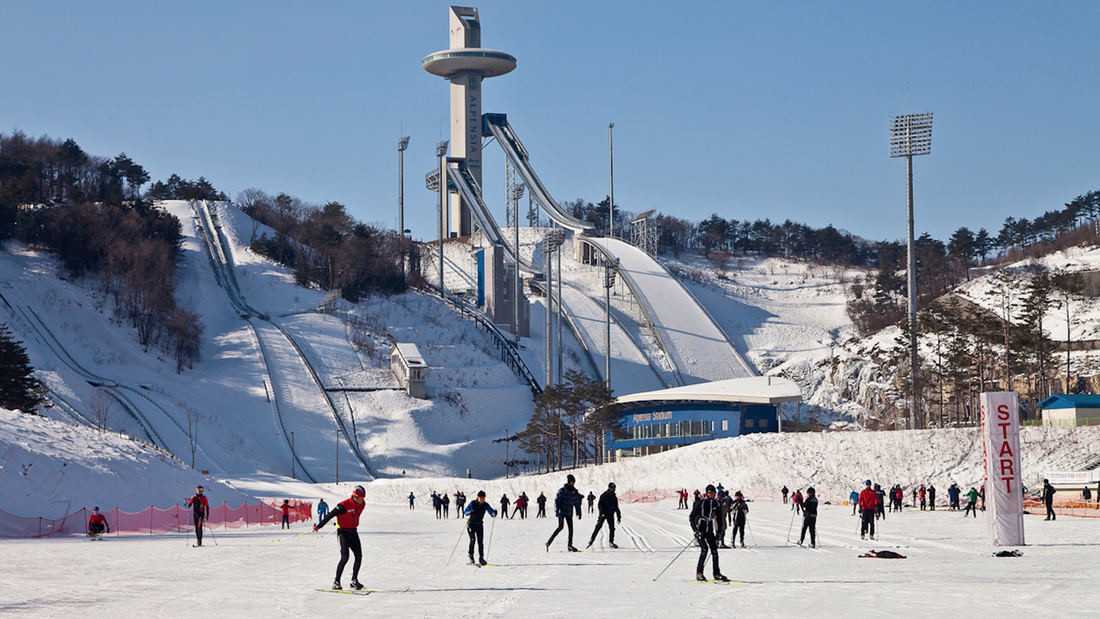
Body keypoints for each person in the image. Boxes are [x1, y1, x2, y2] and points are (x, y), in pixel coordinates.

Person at [314, 485, 368, 590]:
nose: (361, 500)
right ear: (354, 496)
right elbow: (329, 515)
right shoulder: (343, 505)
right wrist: (319, 526)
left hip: (353, 532)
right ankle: (336, 582)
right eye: (360, 498)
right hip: (343, 533)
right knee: (345, 557)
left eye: (363, 498)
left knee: (359, 556)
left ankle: (354, 580)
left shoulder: (362, 504)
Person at [690, 484, 729, 582]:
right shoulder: (700, 502)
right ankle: (699, 573)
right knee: (704, 550)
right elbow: (692, 517)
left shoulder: (716, 503)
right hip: (701, 528)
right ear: (707, 493)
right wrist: (695, 530)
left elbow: (719, 519)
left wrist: (719, 533)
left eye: (713, 493)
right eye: (710, 493)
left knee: (714, 551)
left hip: (709, 529)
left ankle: (716, 573)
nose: (711, 494)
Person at [546, 474, 583, 552]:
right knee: (560, 527)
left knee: (571, 529)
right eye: (572, 482)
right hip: (562, 512)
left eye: (574, 482)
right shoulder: (562, 490)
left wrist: (579, 512)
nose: (573, 484)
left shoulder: (574, 491)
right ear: (569, 482)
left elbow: (576, 503)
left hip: (569, 512)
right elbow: (557, 501)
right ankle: (548, 542)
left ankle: (570, 545)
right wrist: (557, 510)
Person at [464, 490, 498, 566]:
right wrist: (470, 511)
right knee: (473, 540)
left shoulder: (485, 505)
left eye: (483, 498)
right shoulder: (473, 503)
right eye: (481, 498)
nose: (482, 499)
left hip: (479, 525)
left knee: (480, 542)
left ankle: (481, 558)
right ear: (478, 497)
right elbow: (465, 512)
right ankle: (471, 556)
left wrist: (494, 513)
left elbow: (491, 512)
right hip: (471, 525)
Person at [586, 482, 622, 549]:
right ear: (609, 488)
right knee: (598, 527)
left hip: (610, 514)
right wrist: (602, 512)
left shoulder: (614, 497)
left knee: (612, 528)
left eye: (614, 488)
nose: (614, 489)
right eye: (612, 488)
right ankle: (591, 540)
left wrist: (619, 516)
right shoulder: (604, 495)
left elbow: (616, 507)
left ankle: (611, 542)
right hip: (603, 514)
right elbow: (600, 505)